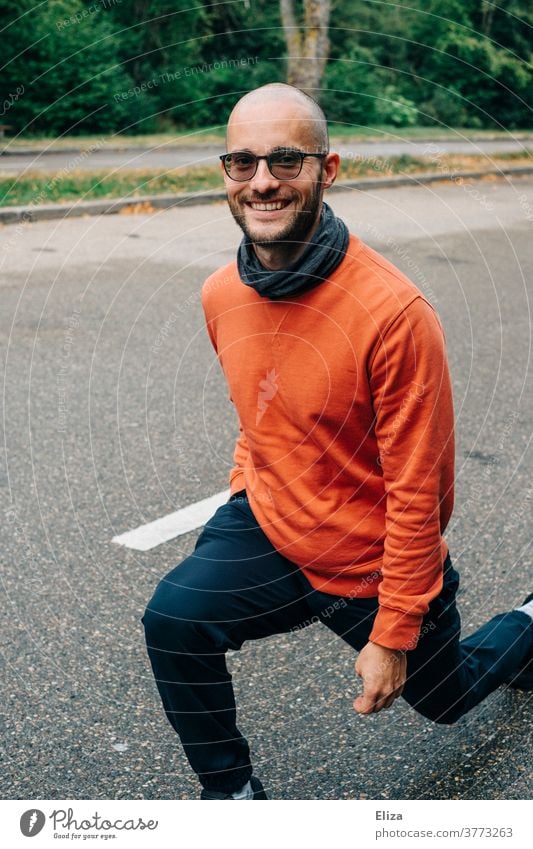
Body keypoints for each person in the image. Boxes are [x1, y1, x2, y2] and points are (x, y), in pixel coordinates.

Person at [142, 83, 533, 800]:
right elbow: (260, 413)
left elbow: (420, 497)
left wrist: (390, 631)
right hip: (270, 523)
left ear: (329, 167)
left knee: (446, 699)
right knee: (174, 618)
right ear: (225, 171)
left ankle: (528, 621)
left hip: (368, 559)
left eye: (286, 159)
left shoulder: (394, 314)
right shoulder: (220, 292)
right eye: (242, 162)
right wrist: (240, 500)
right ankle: (231, 795)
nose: (262, 181)